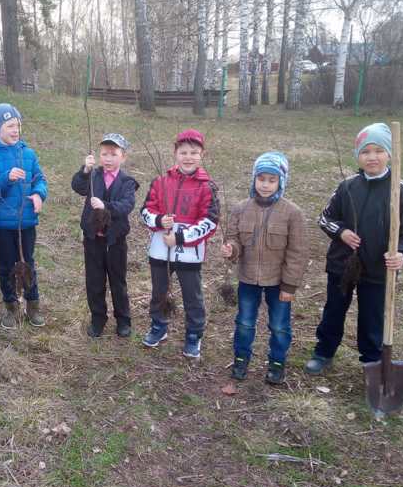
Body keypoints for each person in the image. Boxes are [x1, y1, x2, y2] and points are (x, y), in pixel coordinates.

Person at [305, 122, 403, 374]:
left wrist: (402, 255)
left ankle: (372, 362)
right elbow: (325, 218)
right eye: (365, 151)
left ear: (389, 154)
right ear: (358, 155)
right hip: (343, 265)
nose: (372, 157)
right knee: (334, 309)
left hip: (379, 269)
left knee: (372, 318)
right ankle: (324, 351)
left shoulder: (401, 191)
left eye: (378, 151)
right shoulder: (348, 186)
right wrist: (342, 232)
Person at [221, 152, 308, 384]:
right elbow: (234, 238)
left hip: (279, 281)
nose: (266, 185)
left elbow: (297, 252)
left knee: (279, 325)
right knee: (245, 322)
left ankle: (277, 362)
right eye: (261, 179)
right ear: (254, 179)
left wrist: (289, 285)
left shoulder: (292, 213)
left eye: (272, 180)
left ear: (281, 182)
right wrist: (231, 249)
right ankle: (241, 359)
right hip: (248, 278)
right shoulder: (240, 208)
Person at [139, 129, 220, 359]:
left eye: (194, 152)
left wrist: (182, 237)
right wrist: (158, 220)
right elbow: (145, 210)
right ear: (175, 153)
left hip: (189, 252)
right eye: (183, 152)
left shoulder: (207, 186)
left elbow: (210, 221)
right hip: (160, 248)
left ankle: (194, 334)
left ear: (202, 154)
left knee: (192, 295)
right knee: (159, 290)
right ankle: (158, 325)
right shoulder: (161, 181)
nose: (188, 157)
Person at [0, 103, 48, 329]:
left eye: (18, 125)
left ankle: (33, 305)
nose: (15, 130)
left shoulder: (28, 153)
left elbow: (40, 179)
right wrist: (7, 178)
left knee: (28, 262)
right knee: (7, 265)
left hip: (26, 221)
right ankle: (11, 307)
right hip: (2, 223)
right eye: (10, 126)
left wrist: (39, 194)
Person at [71, 133, 139, 338]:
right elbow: (77, 187)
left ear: (123, 157)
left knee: (118, 281)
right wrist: (85, 170)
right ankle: (98, 319)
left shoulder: (127, 182)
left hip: (115, 241)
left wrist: (105, 206)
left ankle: (123, 320)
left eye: (113, 154)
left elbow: (127, 205)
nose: (108, 158)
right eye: (104, 154)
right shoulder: (93, 175)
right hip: (93, 240)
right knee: (94, 281)